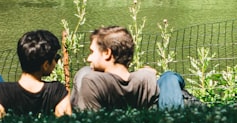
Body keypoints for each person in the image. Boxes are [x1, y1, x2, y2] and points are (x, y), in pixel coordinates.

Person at [72, 25, 200, 111]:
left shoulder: (90, 80)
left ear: (107, 53)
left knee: (83, 72)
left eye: (92, 52)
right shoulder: (146, 79)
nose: (89, 58)